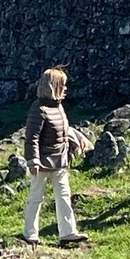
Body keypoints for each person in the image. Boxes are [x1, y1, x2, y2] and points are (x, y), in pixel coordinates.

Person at [21, 67, 89, 245]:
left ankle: (68, 233)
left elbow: (63, 129)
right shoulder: (39, 109)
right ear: (54, 86)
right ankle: (30, 234)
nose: (66, 88)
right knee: (36, 198)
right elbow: (32, 137)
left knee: (64, 197)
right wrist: (33, 160)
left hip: (60, 162)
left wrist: (76, 139)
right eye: (63, 85)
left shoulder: (58, 106)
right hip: (42, 163)